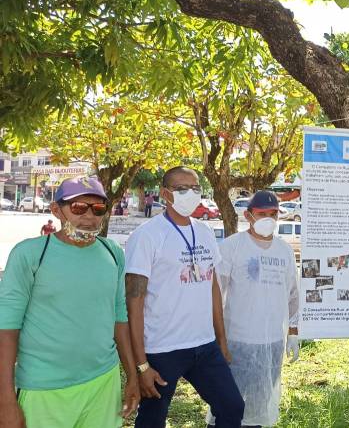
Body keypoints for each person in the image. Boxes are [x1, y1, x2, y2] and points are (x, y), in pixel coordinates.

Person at [0, 177, 139, 428]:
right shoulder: (30, 254)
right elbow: (7, 328)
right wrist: (6, 400)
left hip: (103, 382)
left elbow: (119, 317)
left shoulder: (113, 253)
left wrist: (132, 376)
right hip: (43, 387)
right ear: (56, 210)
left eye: (98, 209)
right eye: (78, 207)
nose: (89, 216)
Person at [125, 166, 244, 428]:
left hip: (204, 345)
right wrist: (142, 365)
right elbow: (134, 303)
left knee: (232, 407)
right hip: (162, 349)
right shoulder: (146, 236)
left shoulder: (204, 231)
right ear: (165, 194)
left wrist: (221, 341)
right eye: (181, 189)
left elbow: (212, 285)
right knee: (152, 420)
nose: (190, 193)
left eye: (195, 188)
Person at [206, 191, 300, 428]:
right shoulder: (232, 247)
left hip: (271, 343)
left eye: (273, 214)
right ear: (248, 215)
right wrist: (219, 340)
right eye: (261, 214)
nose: (268, 218)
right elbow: (215, 294)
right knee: (227, 406)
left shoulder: (285, 251)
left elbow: (293, 296)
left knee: (259, 407)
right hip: (237, 341)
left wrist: (293, 332)